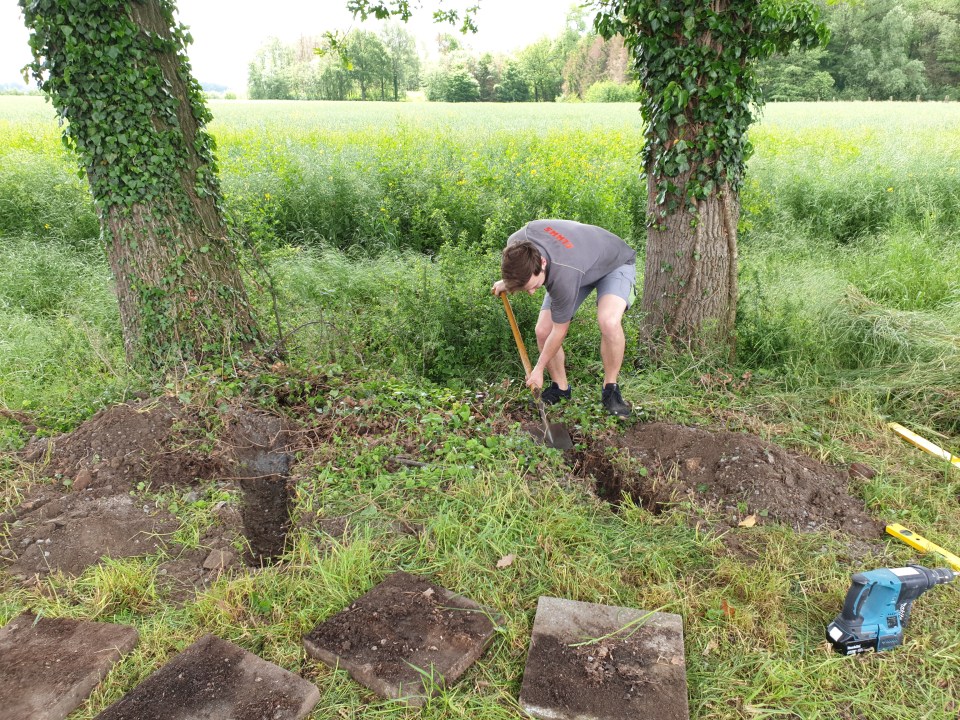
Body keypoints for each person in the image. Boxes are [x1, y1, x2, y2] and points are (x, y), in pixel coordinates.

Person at [491, 219, 636, 417]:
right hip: (579, 264)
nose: (532, 292)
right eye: (526, 288)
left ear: (542, 263)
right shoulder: (516, 245)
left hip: (614, 264)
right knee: (543, 331)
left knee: (608, 322)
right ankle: (560, 389)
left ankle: (611, 389)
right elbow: (524, 274)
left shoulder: (563, 273)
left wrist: (538, 369)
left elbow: (559, 331)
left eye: (534, 285)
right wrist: (510, 283)